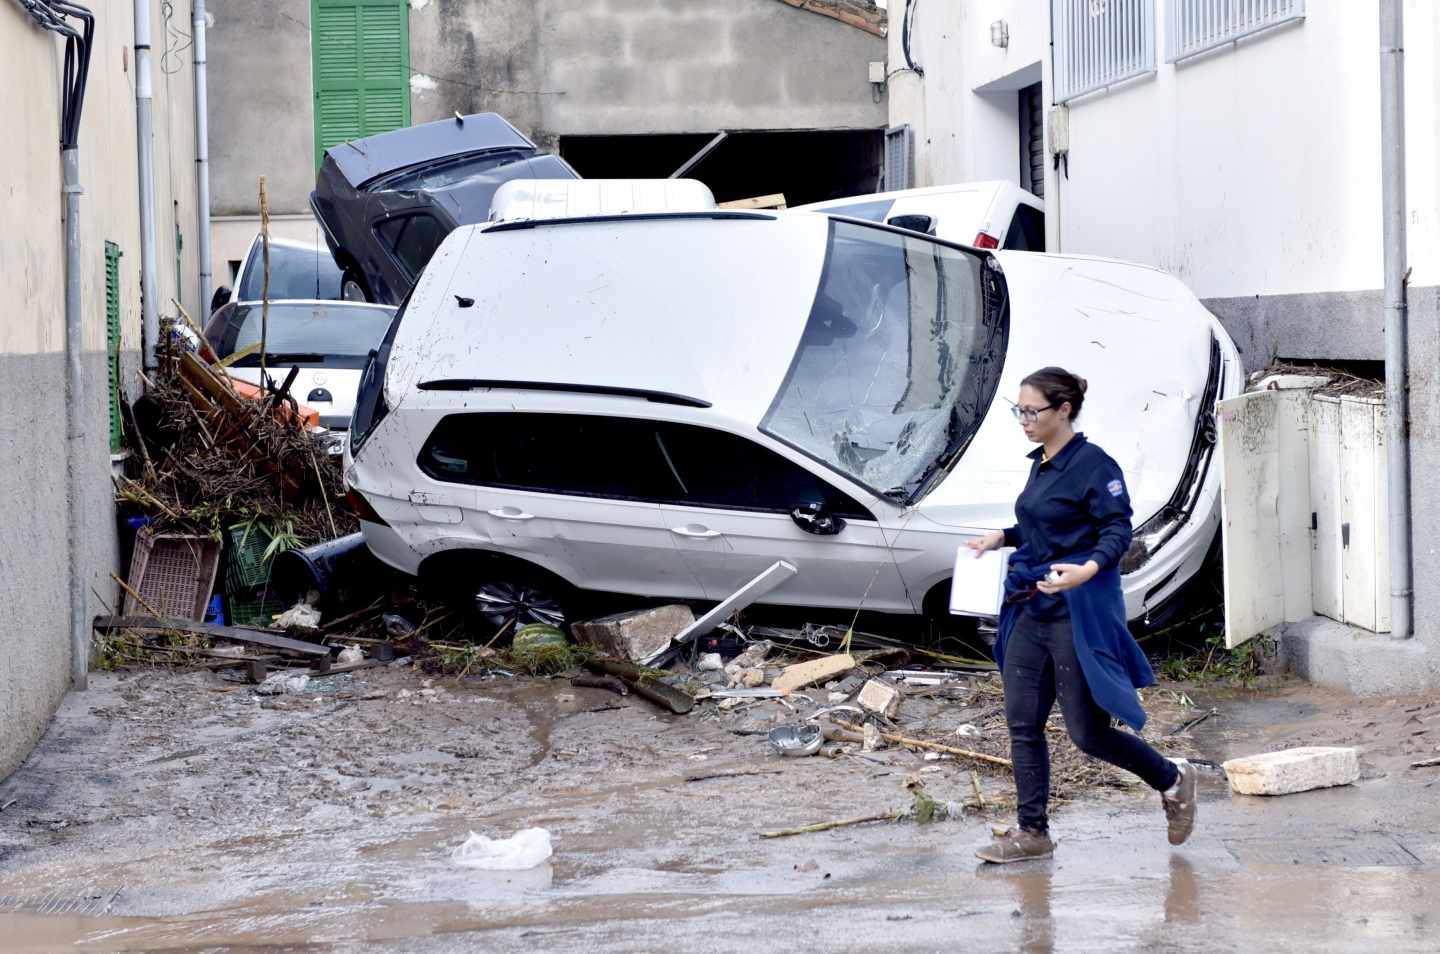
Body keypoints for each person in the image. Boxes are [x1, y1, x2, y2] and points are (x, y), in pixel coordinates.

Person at [969, 366, 1197, 864]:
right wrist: (1002, 538)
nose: (1023, 420)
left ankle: (1173, 779)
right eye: (1020, 411)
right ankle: (1033, 833)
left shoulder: (1095, 465)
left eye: (1032, 411)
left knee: (1087, 733)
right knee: (1022, 724)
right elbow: (1042, 523)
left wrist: (1086, 569)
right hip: (1032, 608)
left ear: (1063, 410)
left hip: (1076, 613)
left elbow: (1117, 531)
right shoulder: (1043, 463)